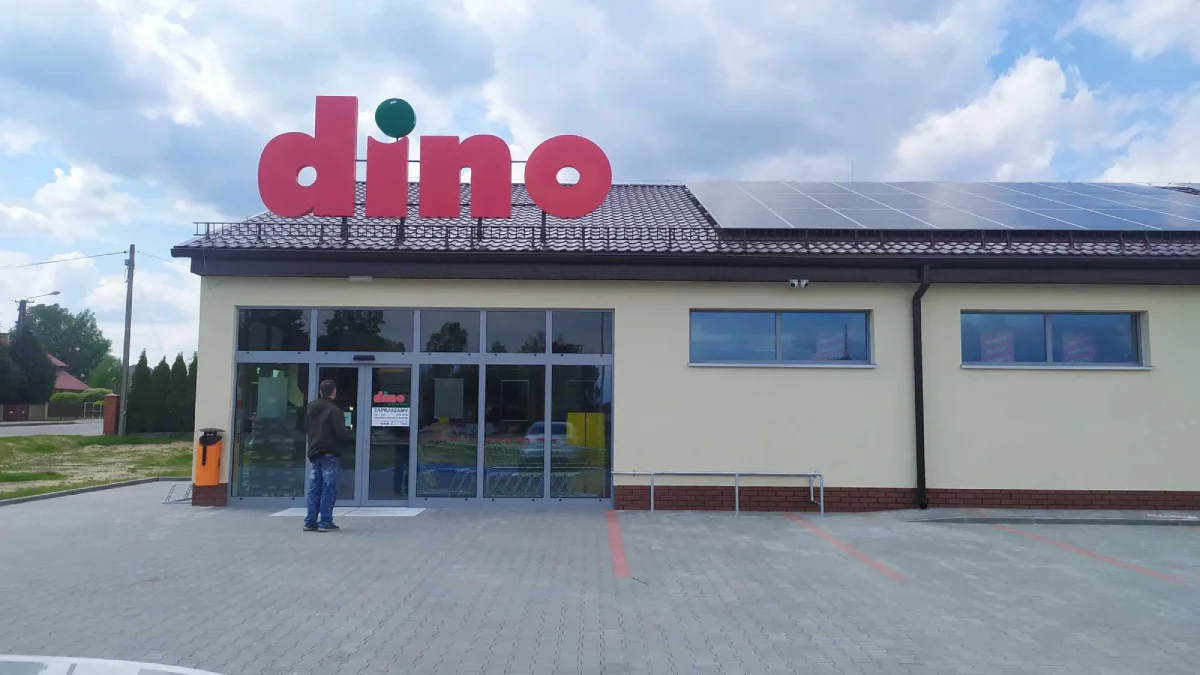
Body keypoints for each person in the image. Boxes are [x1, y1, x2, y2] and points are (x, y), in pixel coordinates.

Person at [303, 379, 354, 532]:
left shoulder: (310, 409)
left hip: (314, 452)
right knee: (328, 488)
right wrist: (349, 437)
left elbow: (306, 428)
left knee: (314, 488)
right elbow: (340, 433)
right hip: (329, 452)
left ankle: (310, 521)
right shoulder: (334, 410)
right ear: (334, 392)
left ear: (320, 392)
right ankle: (325, 522)